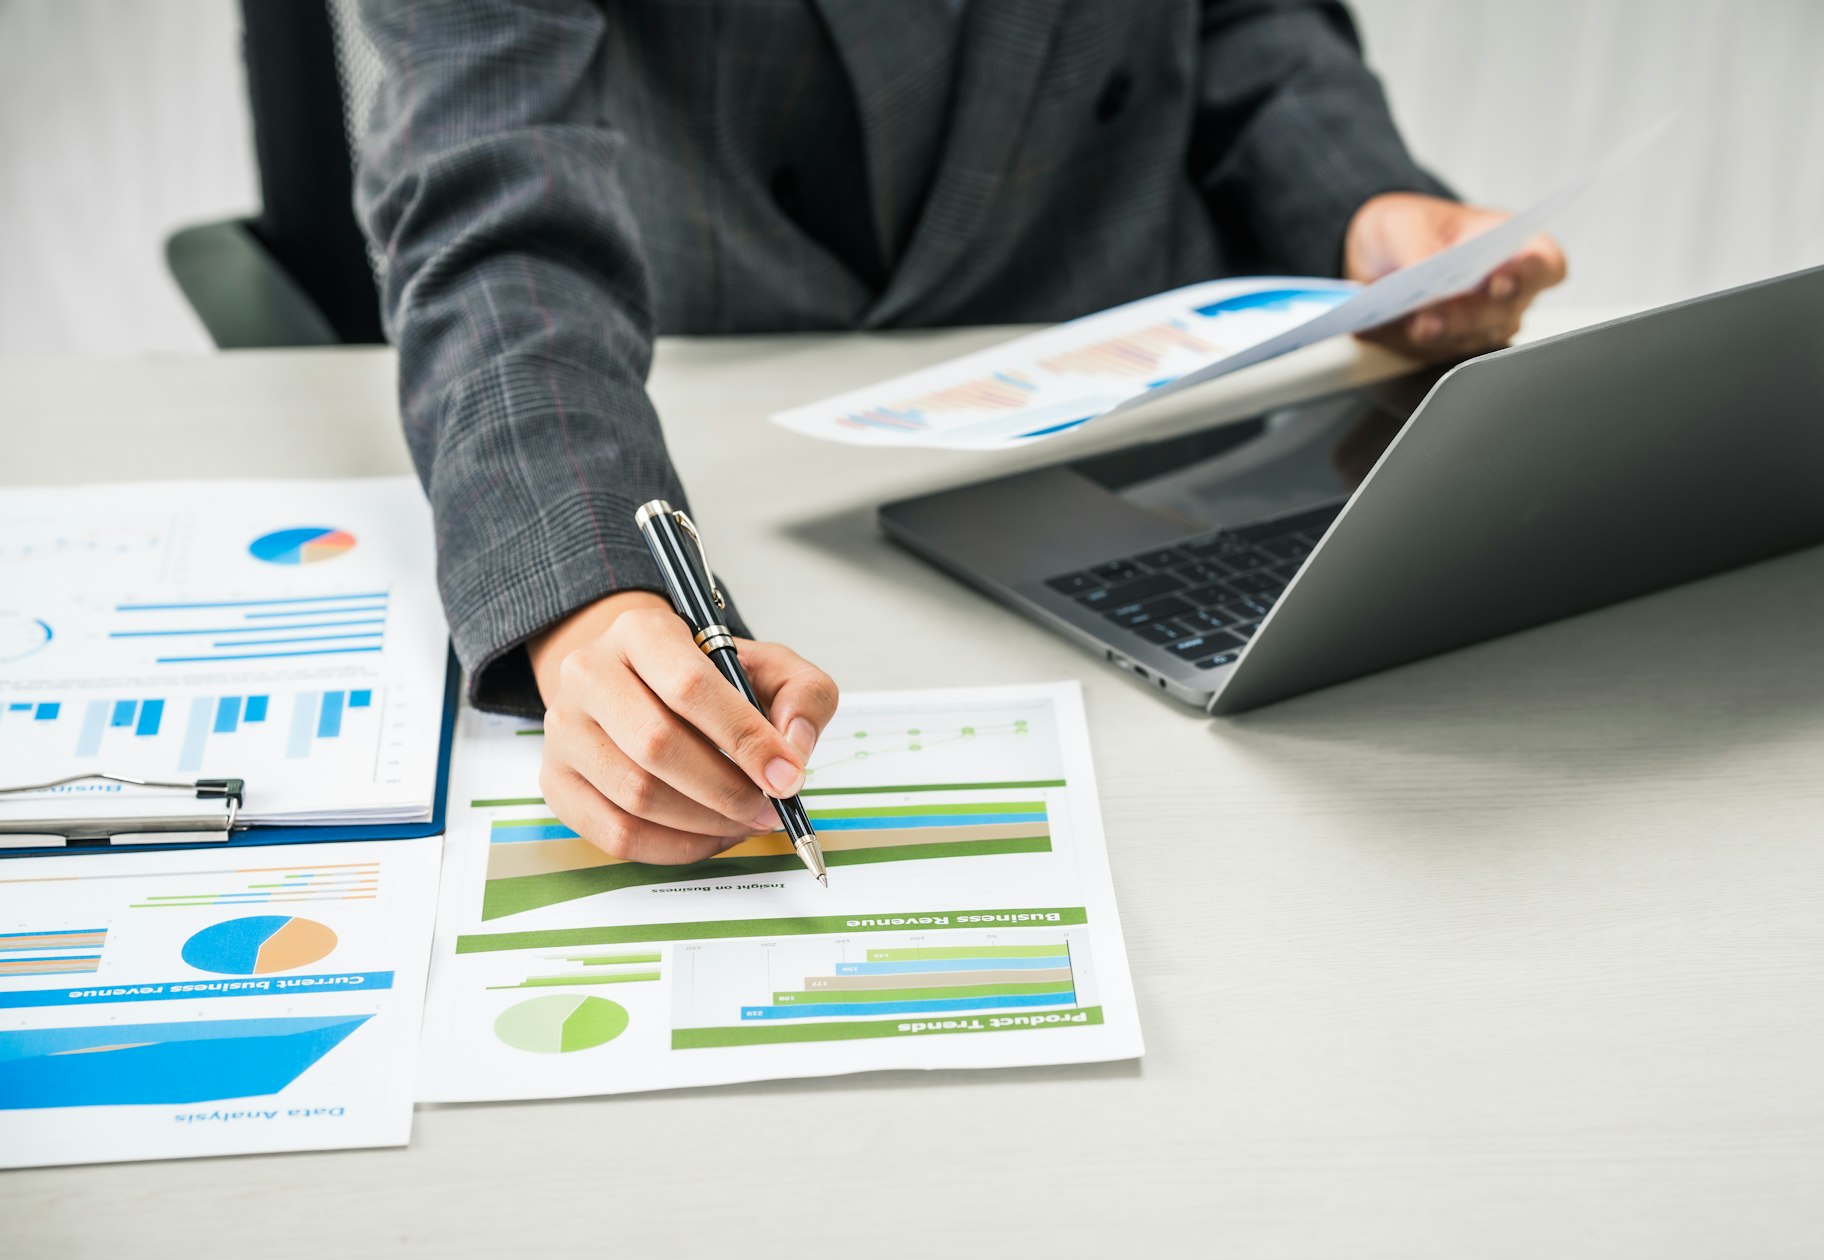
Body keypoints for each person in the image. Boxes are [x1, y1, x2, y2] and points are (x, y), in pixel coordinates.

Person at [354, 0, 1567, 865]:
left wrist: (1357, 198)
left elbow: (1236, 23)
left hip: (1141, 395)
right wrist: (588, 593)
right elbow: (493, 204)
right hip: (726, 369)